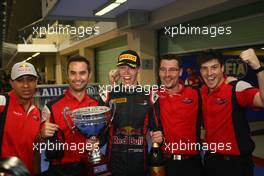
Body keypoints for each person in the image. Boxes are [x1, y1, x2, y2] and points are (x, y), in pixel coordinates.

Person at [198, 48, 264, 176]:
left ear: (222, 68)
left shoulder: (237, 87)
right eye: (204, 68)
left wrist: (258, 68)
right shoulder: (202, 92)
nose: (209, 73)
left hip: (235, 164)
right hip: (210, 160)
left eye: (214, 67)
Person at [103, 50, 163, 176]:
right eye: (122, 67)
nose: (126, 72)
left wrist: (160, 136)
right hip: (113, 163)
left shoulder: (150, 97)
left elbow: (158, 129)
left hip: (140, 163)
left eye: (131, 68)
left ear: (139, 69)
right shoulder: (107, 96)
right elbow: (100, 130)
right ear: (117, 70)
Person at [41, 55, 99, 176]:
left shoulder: (98, 106)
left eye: (82, 73)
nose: (77, 78)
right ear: (67, 74)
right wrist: (41, 133)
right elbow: (39, 141)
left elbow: (105, 135)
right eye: (73, 73)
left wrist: (97, 141)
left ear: (89, 75)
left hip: (90, 165)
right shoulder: (51, 107)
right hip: (60, 169)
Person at [157, 54, 203, 176]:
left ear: (181, 72)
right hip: (164, 163)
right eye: (163, 70)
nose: (167, 75)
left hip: (191, 164)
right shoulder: (154, 96)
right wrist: (114, 85)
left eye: (172, 70)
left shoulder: (196, 94)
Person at [0, 62, 41, 175]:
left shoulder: (37, 112)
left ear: (36, 82)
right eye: (20, 80)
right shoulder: (2, 102)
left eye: (30, 80)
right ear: (11, 83)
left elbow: (35, 151)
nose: (26, 85)